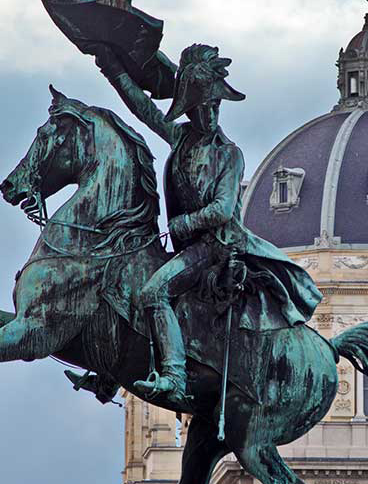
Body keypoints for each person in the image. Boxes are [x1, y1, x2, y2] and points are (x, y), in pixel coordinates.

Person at [93, 42, 322, 409]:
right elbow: (144, 110)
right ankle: (110, 370)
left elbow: (222, 209)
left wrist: (186, 222)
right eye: (204, 107)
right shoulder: (182, 137)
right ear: (191, 108)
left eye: (216, 106)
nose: (212, 114)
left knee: (154, 293)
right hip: (189, 246)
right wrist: (111, 67)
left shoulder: (228, 153)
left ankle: (174, 377)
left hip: (216, 247)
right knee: (125, 285)